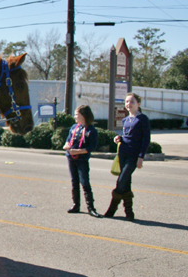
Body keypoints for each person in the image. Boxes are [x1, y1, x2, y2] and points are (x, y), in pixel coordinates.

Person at [105, 93, 150, 221]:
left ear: (138, 104)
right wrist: (119, 138)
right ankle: (129, 212)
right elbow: (127, 136)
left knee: (121, 181)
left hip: (133, 156)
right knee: (126, 182)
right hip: (123, 154)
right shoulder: (125, 120)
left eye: (132, 102)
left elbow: (146, 139)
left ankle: (111, 209)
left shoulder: (143, 119)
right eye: (127, 102)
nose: (128, 104)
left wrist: (141, 157)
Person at [63, 105, 100, 217]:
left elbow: (91, 147)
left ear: (83, 116)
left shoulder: (91, 130)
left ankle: (91, 207)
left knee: (84, 182)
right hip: (71, 158)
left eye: (77, 114)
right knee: (74, 182)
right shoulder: (74, 127)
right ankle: (76, 204)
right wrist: (67, 146)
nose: (75, 117)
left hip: (82, 160)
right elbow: (67, 141)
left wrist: (78, 151)